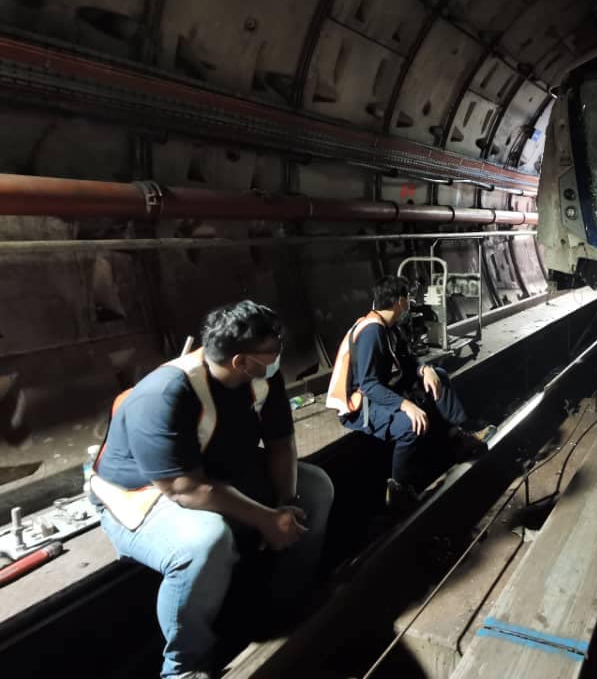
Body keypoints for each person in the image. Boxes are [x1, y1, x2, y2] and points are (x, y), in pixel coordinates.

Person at [91, 300, 334, 679]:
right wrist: (267, 519)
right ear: (240, 361)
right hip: (141, 493)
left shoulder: (263, 376)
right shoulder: (165, 393)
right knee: (205, 542)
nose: (278, 356)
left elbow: (280, 443)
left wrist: (285, 506)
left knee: (316, 488)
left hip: (214, 473)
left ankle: (284, 606)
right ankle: (184, 665)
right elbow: (183, 488)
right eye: (272, 351)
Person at [327, 275, 485, 511]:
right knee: (409, 425)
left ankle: (458, 436)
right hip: (359, 407)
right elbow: (369, 385)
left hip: (380, 392)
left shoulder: (387, 326)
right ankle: (399, 489)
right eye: (408, 298)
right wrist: (405, 405)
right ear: (400, 301)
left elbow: (407, 360)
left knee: (438, 375)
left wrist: (425, 369)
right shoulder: (372, 332)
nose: (410, 302)